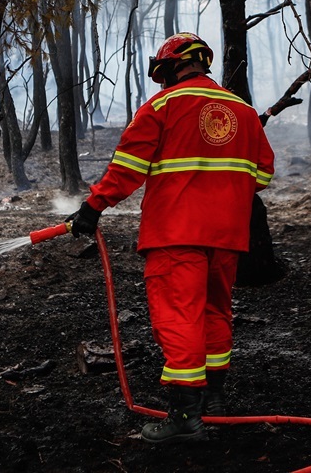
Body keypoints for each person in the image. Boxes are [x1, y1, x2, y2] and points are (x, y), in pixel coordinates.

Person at [68, 32, 275, 444]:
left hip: (175, 234)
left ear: (170, 69)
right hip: (227, 236)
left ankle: (184, 417)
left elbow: (126, 169)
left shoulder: (161, 106)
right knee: (216, 312)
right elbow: (263, 174)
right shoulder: (244, 111)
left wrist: (92, 209)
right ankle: (212, 401)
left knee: (179, 317)